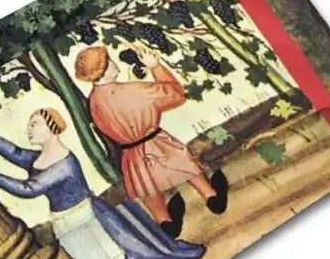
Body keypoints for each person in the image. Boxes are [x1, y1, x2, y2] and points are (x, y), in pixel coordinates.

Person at [0, 109, 203, 259]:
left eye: (34, 124)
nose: (28, 129)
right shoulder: (40, 158)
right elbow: (16, 153)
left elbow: (29, 189)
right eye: (29, 125)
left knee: (110, 252)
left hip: (85, 215)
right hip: (65, 220)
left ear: (52, 128)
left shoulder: (63, 163)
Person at [74, 44, 228, 238]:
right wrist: (155, 66)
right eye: (109, 61)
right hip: (155, 141)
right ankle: (211, 196)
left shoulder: (94, 102)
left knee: (146, 186)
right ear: (104, 71)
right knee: (184, 165)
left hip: (131, 153)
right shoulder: (132, 90)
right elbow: (175, 95)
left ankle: (165, 221)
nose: (114, 62)